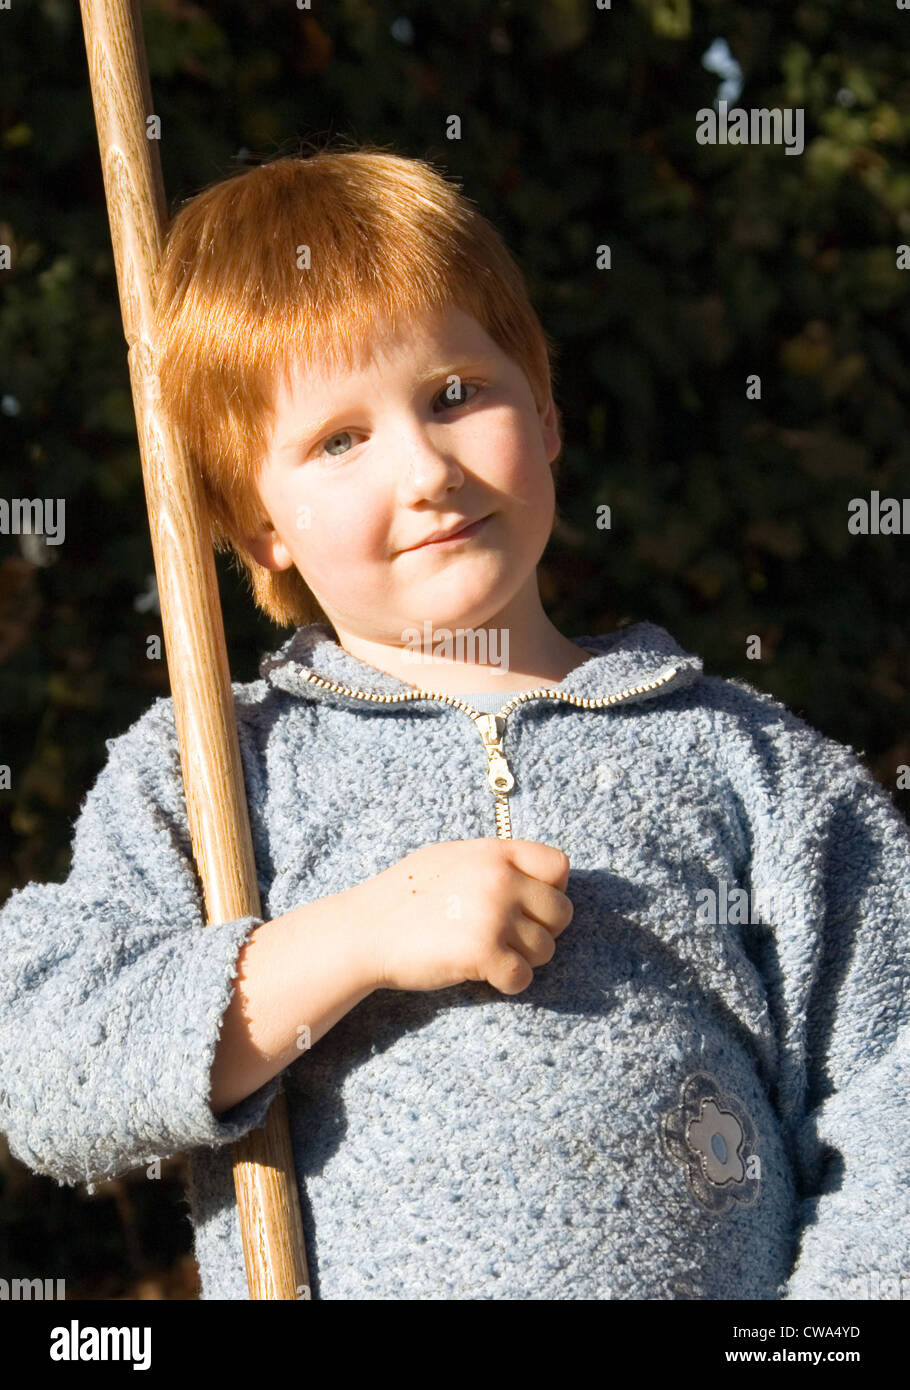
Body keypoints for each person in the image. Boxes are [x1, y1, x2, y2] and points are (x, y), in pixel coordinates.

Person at [1, 145, 907, 1301]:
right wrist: (354, 939)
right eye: (338, 440)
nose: (424, 467)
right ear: (257, 523)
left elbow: (892, 1104)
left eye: (453, 395)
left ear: (544, 410)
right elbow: (44, 1068)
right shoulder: (221, 775)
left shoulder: (753, 772)